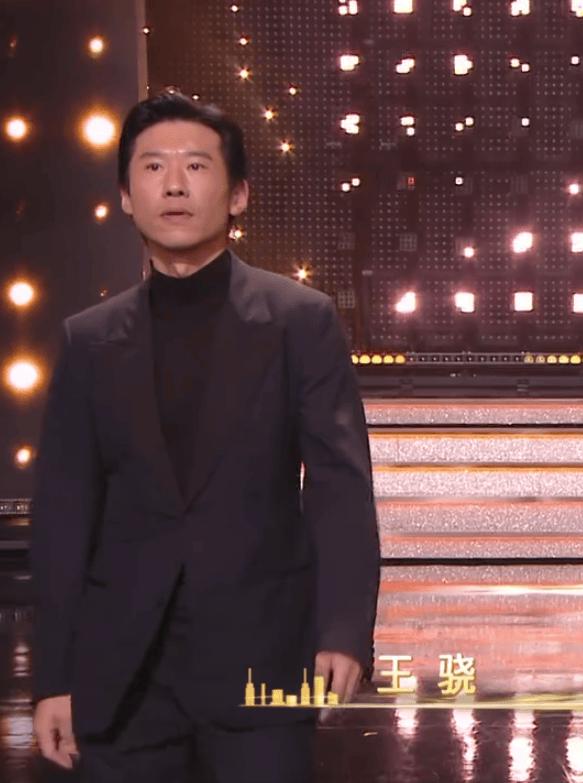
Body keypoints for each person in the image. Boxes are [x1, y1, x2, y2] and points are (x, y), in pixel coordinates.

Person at [30, 90, 380, 782]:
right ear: (126, 196)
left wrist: (342, 629)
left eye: (195, 165)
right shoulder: (88, 340)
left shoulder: (299, 321)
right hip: (121, 670)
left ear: (238, 194)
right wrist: (53, 676)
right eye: (152, 167)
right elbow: (65, 514)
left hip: (261, 657)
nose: (174, 185)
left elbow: (339, 486)